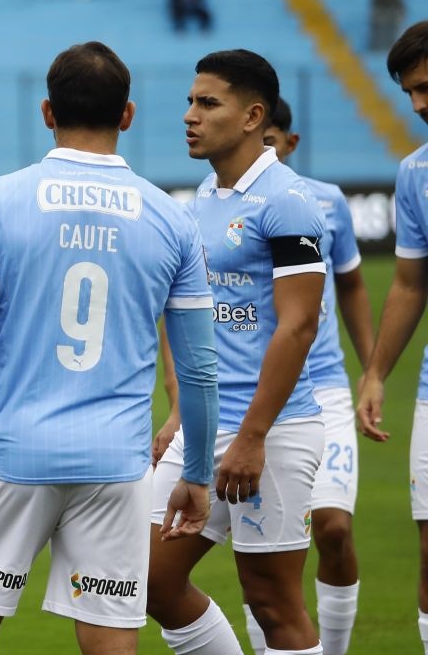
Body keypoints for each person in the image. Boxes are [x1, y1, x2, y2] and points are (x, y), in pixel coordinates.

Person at [0, 41, 218, 655]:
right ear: (129, 115)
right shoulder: (171, 218)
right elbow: (197, 365)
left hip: (13, 453)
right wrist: (194, 472)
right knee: (111, 636)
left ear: (47, 112)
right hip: (117, 460)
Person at [148, 50, 327, 655]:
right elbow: (198, 319)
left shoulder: (288, 201)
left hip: (271, 431)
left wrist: (252, 436)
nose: (189, 116)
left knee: (273, 602)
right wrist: (179, 415)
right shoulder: (206, 193)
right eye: (190, 102)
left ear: (253, 116)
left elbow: (298, 326)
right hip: (203, 427)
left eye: (207, 103)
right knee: (147, 579)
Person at [243, 97, 372, 655]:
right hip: (260, 390)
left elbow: (352, 284)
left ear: (290, 143)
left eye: (271, 142)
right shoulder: (229, 205)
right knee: (268, 555)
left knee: (335, 528)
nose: (262, 153)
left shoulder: (326, 202)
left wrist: (373, 372)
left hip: (323, 386)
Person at [356, 20, 428, 654]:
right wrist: (377, 372)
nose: (420, 104)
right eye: (410, 92)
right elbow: (409, 284)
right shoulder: (416, 173)